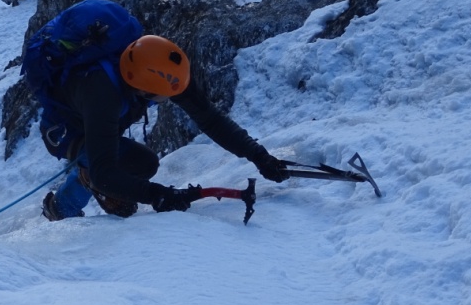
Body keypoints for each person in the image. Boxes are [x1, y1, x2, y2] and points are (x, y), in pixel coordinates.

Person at [38, 26, 290, 221]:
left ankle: (86, 172)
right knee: (112, 168)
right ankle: (61, 209)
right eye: (163, 97)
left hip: (101, 121)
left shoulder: (159, 69)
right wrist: (157, 195)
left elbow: (210, 119)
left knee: (143, 164)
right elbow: (104, 175)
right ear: (142, 90)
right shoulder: (102, 94)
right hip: (66, 131)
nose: (172, 99)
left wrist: (259, 155)